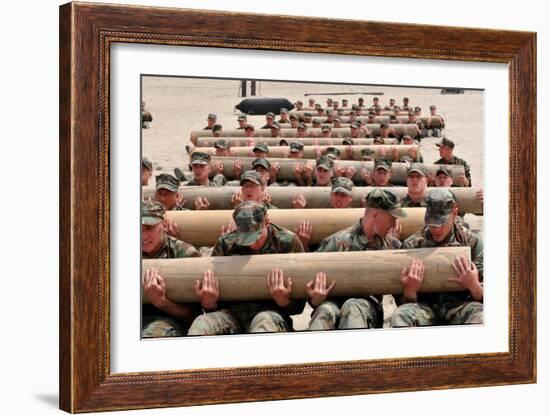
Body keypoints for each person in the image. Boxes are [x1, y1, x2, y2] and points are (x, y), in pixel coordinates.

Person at [186, 201, 306, 335]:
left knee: (264, 324)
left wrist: (283, 300)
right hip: (231, 314)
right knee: (202, 324)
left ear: (267, 222)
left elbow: (299, 308)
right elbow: (213, 303)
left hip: (269, 313)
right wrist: (209, 304)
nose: (252, 243)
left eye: (256, 235)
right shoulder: (226, 244)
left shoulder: (287, 243)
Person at [308, 189, 406, 330]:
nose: (395, 224)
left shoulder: (392, 246)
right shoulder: (337, 242)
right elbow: (312, 287)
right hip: (334, 303)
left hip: (366, 309)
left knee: (353, 307)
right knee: (325, 311)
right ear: (376, 214)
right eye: (392, 218)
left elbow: (401, 298)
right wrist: (315, 299)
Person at [391, 189, 483, 327]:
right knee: (400, 316)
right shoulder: (412, 245)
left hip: (460, 309)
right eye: (432, 223)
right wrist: (410, 292)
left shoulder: (472, 242)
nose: (436, 229)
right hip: (425, 311)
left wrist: (474, 285)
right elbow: (402, 303)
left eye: (441, 222)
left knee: (482, 316)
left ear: (454, 213)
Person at [141, 200, 203, 338]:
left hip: (166, 322)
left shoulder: (186, 253)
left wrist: (161, 302)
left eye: (149, 228)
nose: (143, 236)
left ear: (163, 224)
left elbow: (193, 316)